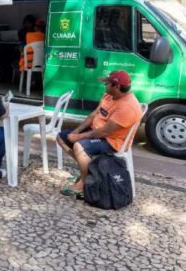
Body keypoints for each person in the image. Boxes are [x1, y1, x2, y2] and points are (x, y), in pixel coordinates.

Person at [56, 70, 142, 198]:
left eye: (107, 84)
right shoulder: (109, 95)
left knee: (79, 146)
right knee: (61, 137)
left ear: (117, 87)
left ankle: (85, 184)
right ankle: (90, 171)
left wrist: (79, 137)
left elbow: (105, 132)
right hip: (97, 131)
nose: (105, 85)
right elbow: (93, 115)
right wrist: (77, 131)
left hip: (112, 140)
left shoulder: (127, 107)